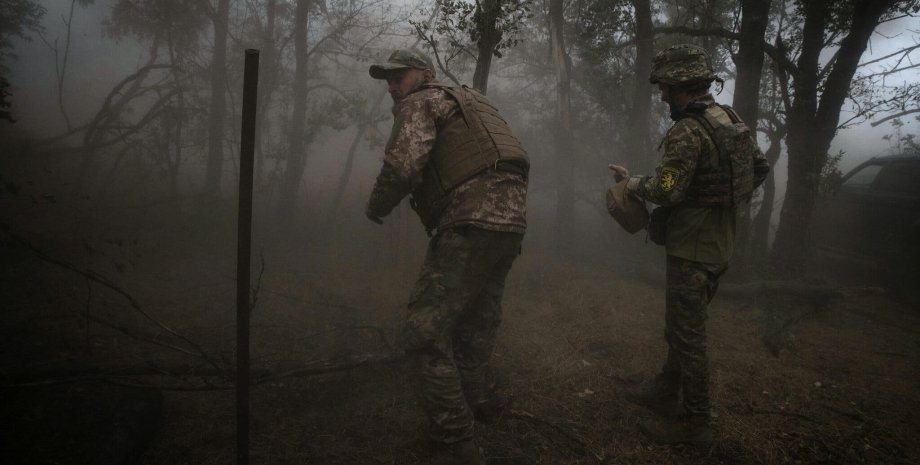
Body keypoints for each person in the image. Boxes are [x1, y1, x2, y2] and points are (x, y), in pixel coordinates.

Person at [365, 49, 529, 465]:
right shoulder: (470, 101)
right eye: (387, 79)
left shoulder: (421, 101)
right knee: (477, 320)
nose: (391, 86)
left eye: (397, 77)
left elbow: (403, 168)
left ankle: (456, 443)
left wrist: (376, 207)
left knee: (424, 332)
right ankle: (476, 401)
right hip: (508, 223)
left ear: (423, 74)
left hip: (469, 222)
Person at [608, 43, 769, 445]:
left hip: (692, 248)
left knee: (688, 338)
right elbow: (760, 168)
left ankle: (696, 425)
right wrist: (722, 200)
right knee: (681, 329)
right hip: (719, 245)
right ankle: (665, 392)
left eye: (664, 86)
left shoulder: (687, 129)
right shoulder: (727, 119)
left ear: (681, 84)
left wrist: (631, 184)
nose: (661, 95)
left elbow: (669, 188)